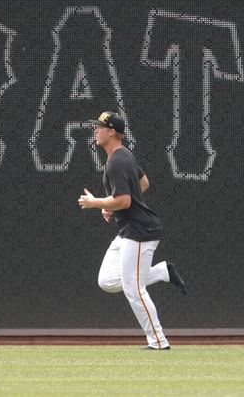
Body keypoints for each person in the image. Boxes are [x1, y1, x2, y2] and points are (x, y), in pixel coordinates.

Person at [77, 111, 188, 350]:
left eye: (100, 127)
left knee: (133, 288)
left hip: (140, 231)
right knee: (107, 280)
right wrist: (112, 207)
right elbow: (144, 182)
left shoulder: (118, 160)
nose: (95, 130)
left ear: (112, 132)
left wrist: (97, 203)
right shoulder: (123, 155)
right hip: (129, 230)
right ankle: (161, 272)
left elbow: (125, 200)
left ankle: (158, 341)